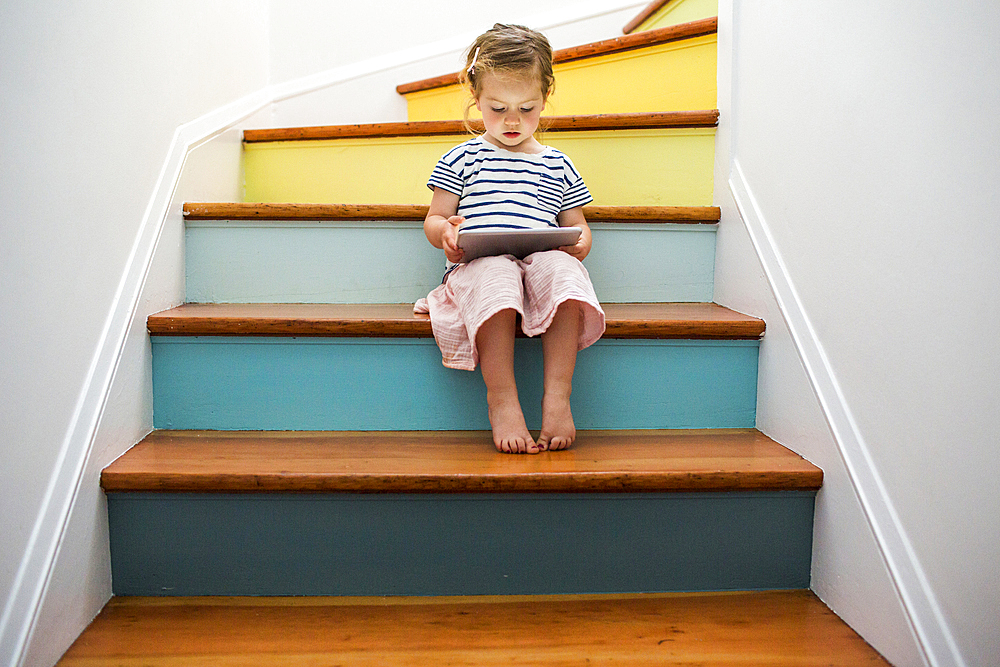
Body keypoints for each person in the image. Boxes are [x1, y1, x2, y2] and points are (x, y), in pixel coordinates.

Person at [417, 24, 605, 454]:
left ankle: (558, 396)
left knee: (564, 269)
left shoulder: (557, 162)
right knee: (498, 272)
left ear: (546, 97)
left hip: (538, 263)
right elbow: (435, 218)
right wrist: (445, 232)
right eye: (498, 108)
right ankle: (502, 398)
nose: (513, 120)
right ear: (476, 99)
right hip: (479, 266)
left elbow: (577, 224)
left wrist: (581, 243)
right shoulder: (462, 156)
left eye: (528, 108)